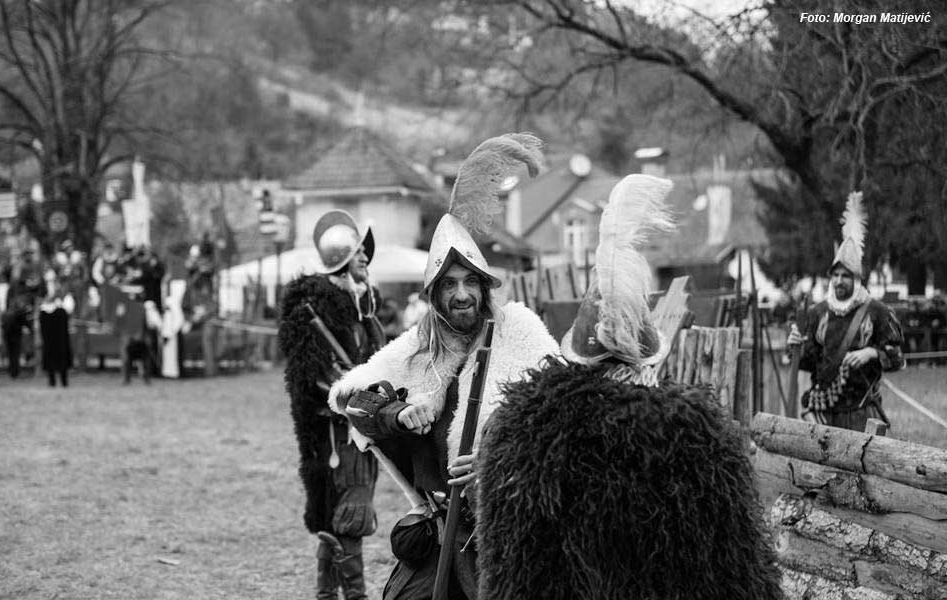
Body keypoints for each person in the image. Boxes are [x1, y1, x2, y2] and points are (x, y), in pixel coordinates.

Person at [473, 174, 784, 600]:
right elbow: (742, 579)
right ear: (648, 360)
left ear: (576, 355)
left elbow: (508, 578)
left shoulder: (518, 433)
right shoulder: (700, 438)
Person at [329, 133, 559, 600]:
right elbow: (352, 402)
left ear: (484, 286)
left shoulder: (521, 333)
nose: (462, 294)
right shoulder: (417, 349)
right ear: (434, 294)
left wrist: (496, 458)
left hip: (505, 526)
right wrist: (398, 414)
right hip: (439, 533)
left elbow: (561, 420)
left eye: (470, 282)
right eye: (449, 284)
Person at [278, 210, 386, 600]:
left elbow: (375, 364)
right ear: (341, 258)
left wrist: (377, 396)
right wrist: (363, 400)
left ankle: (325, 595)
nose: (365, 257)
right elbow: (318, 382)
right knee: (350, 514)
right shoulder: (316, 310)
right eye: (358, 252)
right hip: (339, 432)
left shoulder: (361, 309)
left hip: (361, 428)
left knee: (338, 518)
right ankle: (356, 596)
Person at [788, 191, 904, 431]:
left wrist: (872, 353)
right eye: (836, 275)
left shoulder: (877, 312)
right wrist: (795, 346)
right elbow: (809, 362)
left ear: (856, 278)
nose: (839, 281)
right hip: (824, 413)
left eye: (846, 276)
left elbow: (898, 360)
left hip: (862, 412)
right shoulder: (818, 313)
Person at [38, 284, 72, 387]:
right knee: (61, 362)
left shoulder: (43, 313)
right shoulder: (62, 312)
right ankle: (63, 382)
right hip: (60, 342)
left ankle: (52, 382)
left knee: (51, 362)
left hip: (50, 343)